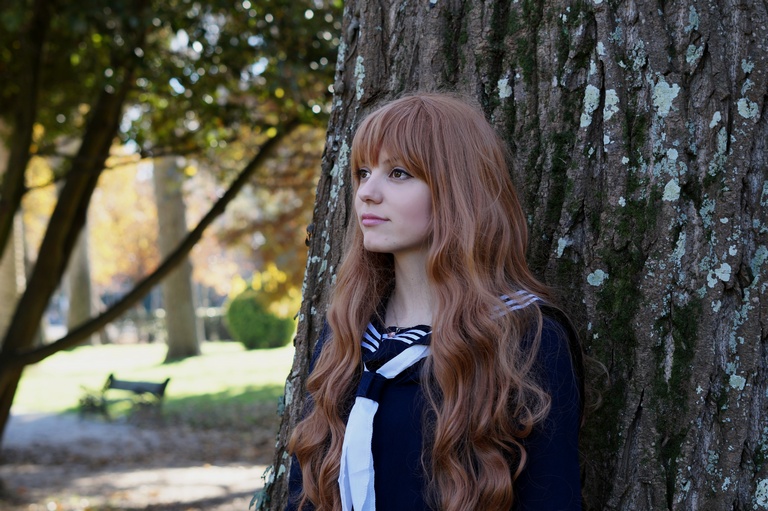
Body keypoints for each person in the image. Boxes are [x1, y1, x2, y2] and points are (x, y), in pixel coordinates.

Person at [286, 93, 585, 511]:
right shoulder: (349, 334)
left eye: (399, 173)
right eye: (364, 172)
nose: (367, 193)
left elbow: (550, 500)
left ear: (456, 188)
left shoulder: (525, 339)